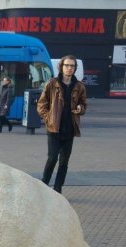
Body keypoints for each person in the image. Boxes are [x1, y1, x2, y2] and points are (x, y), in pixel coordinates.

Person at [37, 55, 87, 194]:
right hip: (54, 129)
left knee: (64, 162)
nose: (69, 68)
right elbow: (41, 105)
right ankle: (44, 186)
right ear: (61, 66)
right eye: (67, 65)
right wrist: (48, 118)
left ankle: (58, 189)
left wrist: (80, 109)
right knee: (52, 158)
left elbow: (83, 104)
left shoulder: (79, 86)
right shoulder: (52, 83)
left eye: (72, 66)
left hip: (69, 129)